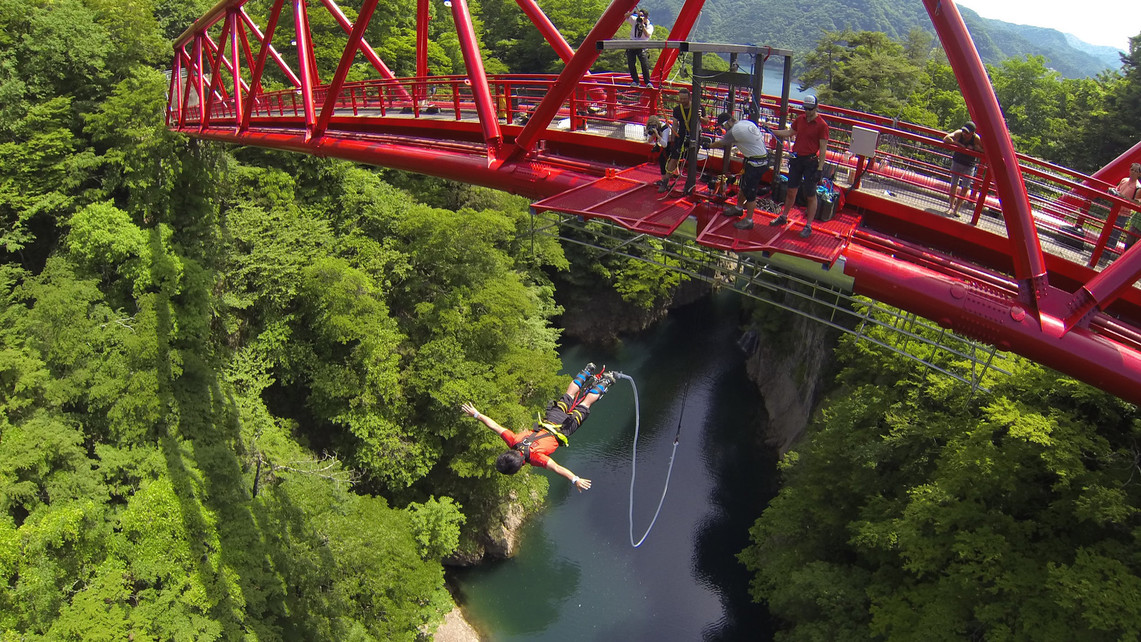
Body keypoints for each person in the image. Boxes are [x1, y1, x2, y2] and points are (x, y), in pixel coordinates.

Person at [461, 364, 617, 492]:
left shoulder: (536, 459)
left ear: (519, 466)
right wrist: (477, 414)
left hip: (563, 429)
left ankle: (606, 381)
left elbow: (556, 468)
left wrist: (575, 479)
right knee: (568, 395)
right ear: (508, 453)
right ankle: (586, 371)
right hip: (551, 419)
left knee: (585, 404)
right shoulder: (513, 441)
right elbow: (494, 426)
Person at [770, 95, 830, 238]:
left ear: (816, 108)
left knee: (810, 194)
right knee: (791, 190)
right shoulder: (800, 120)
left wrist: (820, 169)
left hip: (810, 162)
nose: (807, 111)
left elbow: (823, 149)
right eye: (806, 109)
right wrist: (773, 131)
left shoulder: (822, 125)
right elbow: (790, 132)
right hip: (797, 160)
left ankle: (808, 225)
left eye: (810, 109)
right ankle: (784, 216)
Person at [709, 111, 769, 230]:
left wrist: (707, 145)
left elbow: (721, 143)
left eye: (723, 126)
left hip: (755, 163)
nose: (724, 129)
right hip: (756, 160)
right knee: (743, 186)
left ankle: (749, 220)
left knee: (750, 193)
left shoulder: (735, 131)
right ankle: (738, 208)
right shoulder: (746, 123)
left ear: (727, 123)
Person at [655, 88, 704, 193]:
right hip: (681, 135)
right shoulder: (677, 109)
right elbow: (675, 125)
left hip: (694, 135)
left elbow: (707, 122)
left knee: (692, 160)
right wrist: (672, 141)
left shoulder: (698, 108)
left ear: (689, 98)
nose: (682, 101)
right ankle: (665, 181)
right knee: (673, 158)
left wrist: (701, 117)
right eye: (681, 98)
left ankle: (689, 184)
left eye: (684, 99)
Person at [943, 121, 984, 218]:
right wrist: (959, 144)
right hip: (957, 161)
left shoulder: (976, 139)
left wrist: (975, 148)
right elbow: (946, 138)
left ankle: (956, 209)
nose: (964, 134)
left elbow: (984, 150)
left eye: (967, 132)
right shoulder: (959, 133)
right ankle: (950, 207)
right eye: (964, 131)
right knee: (954, 184)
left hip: (969, 165)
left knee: (965, 187)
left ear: (972, 133)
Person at [1111, 162, 1141, 249]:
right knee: (1107, 233)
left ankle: (1104, 258)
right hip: (1114, 210)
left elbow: (1137, 203)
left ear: (1139, 174)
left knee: (1114, 236)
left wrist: (1124, 197)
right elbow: (1118, 190)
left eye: (1136, 171)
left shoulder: (1138, 187)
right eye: (1132, 170)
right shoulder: (1124, 180)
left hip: (1124, 214)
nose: (1133, 172)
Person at [625, 8, 653, 87]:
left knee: (644, 64)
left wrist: (642, 25)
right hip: (632, 44)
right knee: (631, 64)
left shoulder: (649, 26)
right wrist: (634, 13)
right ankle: (635, 81)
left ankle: (647, 82)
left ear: (646, 17)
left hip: (642, 46)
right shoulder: (635, 20)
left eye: (643, 16)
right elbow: (626, 16)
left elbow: (647, 35)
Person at [646, 115, 674, 189]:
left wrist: (658, 136)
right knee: (665, 158)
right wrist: (653, 135)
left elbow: (664, 144)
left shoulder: (665, 128)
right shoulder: (652, 128)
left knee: (663, 159)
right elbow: (648, 141)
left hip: (672, 143)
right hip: (666, 143)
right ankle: (674, 175)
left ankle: (664, 180)